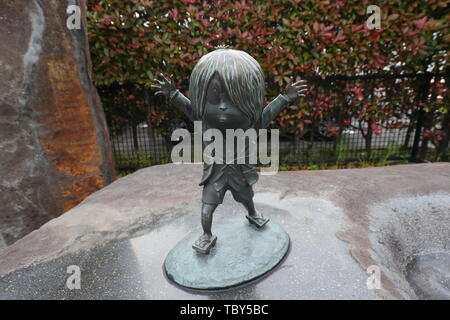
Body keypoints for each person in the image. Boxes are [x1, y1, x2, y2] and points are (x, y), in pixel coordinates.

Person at [152, 47, 307, 253]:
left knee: (247, 198)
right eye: (215, 98)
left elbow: (268, 113)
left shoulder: (249, 126)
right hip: (214, 176)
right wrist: (173, 93)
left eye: (233, 100)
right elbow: (188, 108)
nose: (223, 107)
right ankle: (206, 234)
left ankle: (252, 214)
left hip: (240, 173)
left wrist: (285, 98)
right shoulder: (205, 123)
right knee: (206, 210)